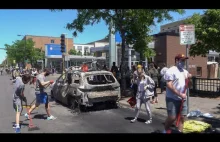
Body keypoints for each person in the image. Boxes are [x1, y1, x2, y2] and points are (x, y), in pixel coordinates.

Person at [163, 54, 192, 133]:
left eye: (184, 61)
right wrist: (180, 94)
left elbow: (189, 85)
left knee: (182, 117)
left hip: (183, 98)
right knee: (172, 117)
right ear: (177, 61)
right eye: (182, 60)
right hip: (172, 98)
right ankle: (165, 130)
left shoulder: (185, 72)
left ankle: (179, 131)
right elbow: (169, 85)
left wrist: (189, 79)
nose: (183, 62)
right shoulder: (171, 70)